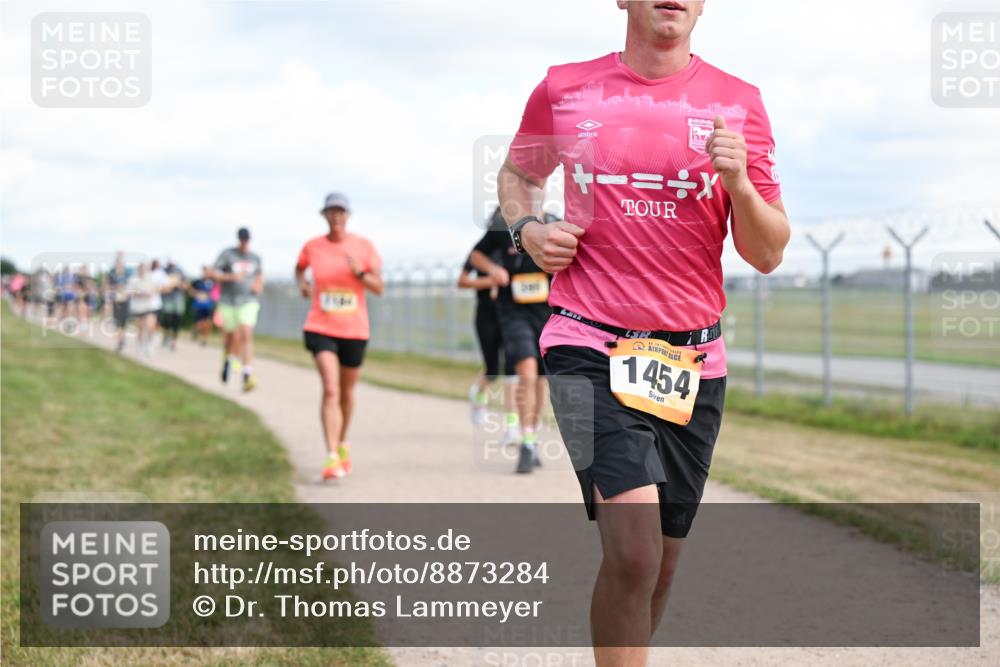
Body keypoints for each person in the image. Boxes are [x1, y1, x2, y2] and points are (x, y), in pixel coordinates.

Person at [498, 2, 790, 663]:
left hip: (692, 362)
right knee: (632, 552)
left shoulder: (738, 102)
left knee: (659, 568)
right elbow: (519, 175)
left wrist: (739, 183)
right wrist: (529, 229)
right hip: (584, 342)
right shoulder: (566, 87)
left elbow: (767, 251)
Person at [295, 193, 383, 481]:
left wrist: (359, 273)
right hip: (320, 325)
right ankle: (331, 455)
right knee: (331, 389)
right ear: (324, 215)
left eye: (340, 212)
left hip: (354, 330)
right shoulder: (313, 246)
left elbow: (378, 287)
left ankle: (342, 441)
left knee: (347, 393)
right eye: (331, 212)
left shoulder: (363, 247)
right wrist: (303, 284)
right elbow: (299, 268)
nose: (336, 217)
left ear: (348, 215)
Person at [468, 209, 559, 474]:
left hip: (546, 314)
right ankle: (526, 443)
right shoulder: (501, 227)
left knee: (541, 380)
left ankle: (532, 436)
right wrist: (494, 269)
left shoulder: (554, 224)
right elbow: (476, 256)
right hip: (513, 314)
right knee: (526, 372)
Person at [456, 210, 517, 429]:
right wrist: (490, 280)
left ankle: (513, 424)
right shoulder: (481, 252)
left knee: (513, 366)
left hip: (511, 313)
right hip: (486, 314)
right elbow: (461, 282)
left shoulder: (515, 248)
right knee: (493, 369)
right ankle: (479, 395)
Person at [212, 228, 264, 392]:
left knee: (246, 332)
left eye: (247, 240)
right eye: (242, 240)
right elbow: (213, 273)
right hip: (228, 301)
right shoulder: (227, 255)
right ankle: (228, 359)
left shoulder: (255, 258)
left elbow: (260, 275)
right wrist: (232, 277)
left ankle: (247, 373)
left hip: (248, 301)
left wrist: (258, 285)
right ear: (238, 240)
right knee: (231, 336)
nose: (244, 243)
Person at [126, 262, 161, 357]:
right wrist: (139, 294)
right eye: (141, 268)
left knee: (150, 326)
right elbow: (129, 292)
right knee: (141, 328)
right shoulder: (133, 280)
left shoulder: (151, 279)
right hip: (138, 307)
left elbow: (157, 288)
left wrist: (150, 292)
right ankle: (141, 346)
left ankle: (149, 345)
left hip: (149, 306)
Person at [106, 254, 132, 353]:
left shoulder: (127, 275)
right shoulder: (112, 276)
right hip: (116, 302)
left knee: (124, 323)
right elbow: (108, 288)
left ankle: (122, 340)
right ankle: (120, 342)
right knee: (118, 323)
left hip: (125, 301)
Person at [159, 261, 186, 351]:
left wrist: (179, 284)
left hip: (178, 300)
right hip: (167, 299)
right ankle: (166, 336)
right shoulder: (165, 271)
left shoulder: (181, 272)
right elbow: (161, 286)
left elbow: (186, 285)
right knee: (167, 320)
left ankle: (174, 341)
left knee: (177, 321)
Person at [188, 266, 216, 346]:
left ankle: (204, 339)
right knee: (199, 323)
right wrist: (195, 294)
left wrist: (212, 296)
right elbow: (189, 288)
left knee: (208, 323)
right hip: (199, 305)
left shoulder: (212, 282)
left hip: (208, 305)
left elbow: (216, 292)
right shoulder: (197, 282)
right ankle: (196, 331)